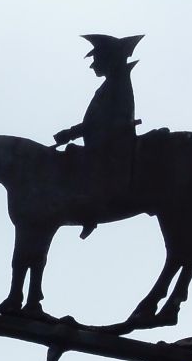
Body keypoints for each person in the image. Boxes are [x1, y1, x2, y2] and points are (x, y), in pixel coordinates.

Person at [53, 33, 142, 232]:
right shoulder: (112, 83)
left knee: (79, 162)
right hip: (104, 142)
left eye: (96, 59)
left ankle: (89, 209)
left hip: (112, 144)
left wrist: (70, 133)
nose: (93, 65)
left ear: (109, 59)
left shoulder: (117, 83)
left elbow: (103, 122)